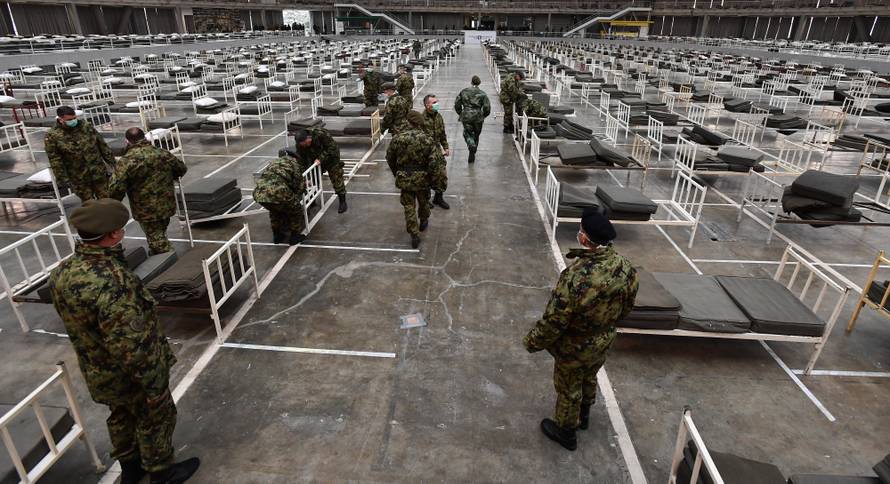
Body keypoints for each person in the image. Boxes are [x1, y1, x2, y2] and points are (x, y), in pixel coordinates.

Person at [49, 199, 200, 484]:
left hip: (99, 371)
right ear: (114, 234)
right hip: (132, 373)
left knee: (120, 417)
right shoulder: (114, 281)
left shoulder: (62, 272)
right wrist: (153, 383)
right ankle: (162, 473)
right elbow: (131, 344)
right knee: (155, 417)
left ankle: (131, 472)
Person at [522, 209, 639, 451]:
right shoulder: (625, 267)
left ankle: (566, 432)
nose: (580, 235)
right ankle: (584, 415)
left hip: (575, 346)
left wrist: (533, 341)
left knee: (568, 387)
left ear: (586, 240)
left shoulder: (576, 276)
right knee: (589, 375)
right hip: (603, 340)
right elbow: (627, 307)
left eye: (582, 232)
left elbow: (555, 319)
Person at [108, 128, 187, 255]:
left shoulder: (127, 161)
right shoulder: (162, 153)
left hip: (145, 208)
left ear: (127, 141)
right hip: (166, 203)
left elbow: (116, 187)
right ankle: (157, 256)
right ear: (144, 137)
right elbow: (181, 169)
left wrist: (111, 202)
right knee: (159, 233)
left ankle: (171, 263)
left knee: (157, 240)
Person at [386, 111, 435, 249]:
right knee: (424, 201)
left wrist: (397, 172)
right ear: (419, 123)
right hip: (422, 177)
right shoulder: (427, 139)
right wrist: (431, 177)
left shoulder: (398, 138)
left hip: (405, 177)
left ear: (408, 122)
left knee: (409, 206)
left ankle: (414, 234)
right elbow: (434, 161)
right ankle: (424, 220)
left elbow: (390, 157)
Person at [45, 105, 116, 201]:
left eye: (75, 118)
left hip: (98, 171)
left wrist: (112, 162)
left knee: (107, 200)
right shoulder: (53, 135)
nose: (74, 121)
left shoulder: (86, 126)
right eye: (70, 119)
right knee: (89, 204)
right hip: (78, 176)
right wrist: (62, 179)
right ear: (61, 119)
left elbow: (102, 145)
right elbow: (55, 159)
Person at [253, 149, 307, 245]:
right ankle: (294, 237)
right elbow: (300, 186)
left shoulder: (274, 162)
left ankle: (277, 236)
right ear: (294, 158)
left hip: (259, 193)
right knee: (296, 210)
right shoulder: (294, 164)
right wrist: (299, 192)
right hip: (279, 191)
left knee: (274, 210)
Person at [292, 127, 348, 213]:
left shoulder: (320, 134)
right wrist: (303, 174)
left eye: (305, 144)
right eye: (302, 145)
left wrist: (321, 158)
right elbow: (301, 160)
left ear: (308, 138)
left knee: (336, 178)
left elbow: (332, 148)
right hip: (315, 160)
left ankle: (342, 201)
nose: (304, 146)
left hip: (331, 158)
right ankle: (312, 200)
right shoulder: (300, 144)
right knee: (312, 178)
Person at [420, 94, 450, 210]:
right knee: (426, 177)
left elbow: (442, 134)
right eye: (434, 102)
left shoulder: (439, 117)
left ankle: (438, 198)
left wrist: (445, 147)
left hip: (437, 151)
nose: (437, 104)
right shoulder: (421, 119)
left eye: (437, 101)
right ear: (427, 105)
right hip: (426, 153)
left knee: (441, 175)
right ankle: (426, 201)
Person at [454, 75, 491, 164]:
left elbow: (457, 104)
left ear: (471, 82)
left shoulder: (464, 92)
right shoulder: (482, 94)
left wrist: (461, 113)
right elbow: (487, 107)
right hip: (478, 116)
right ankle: (473, 151)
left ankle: (471, 145)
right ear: (479, 83)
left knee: (467, 133)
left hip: (466, 115)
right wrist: (483, 115)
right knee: (476, 135)